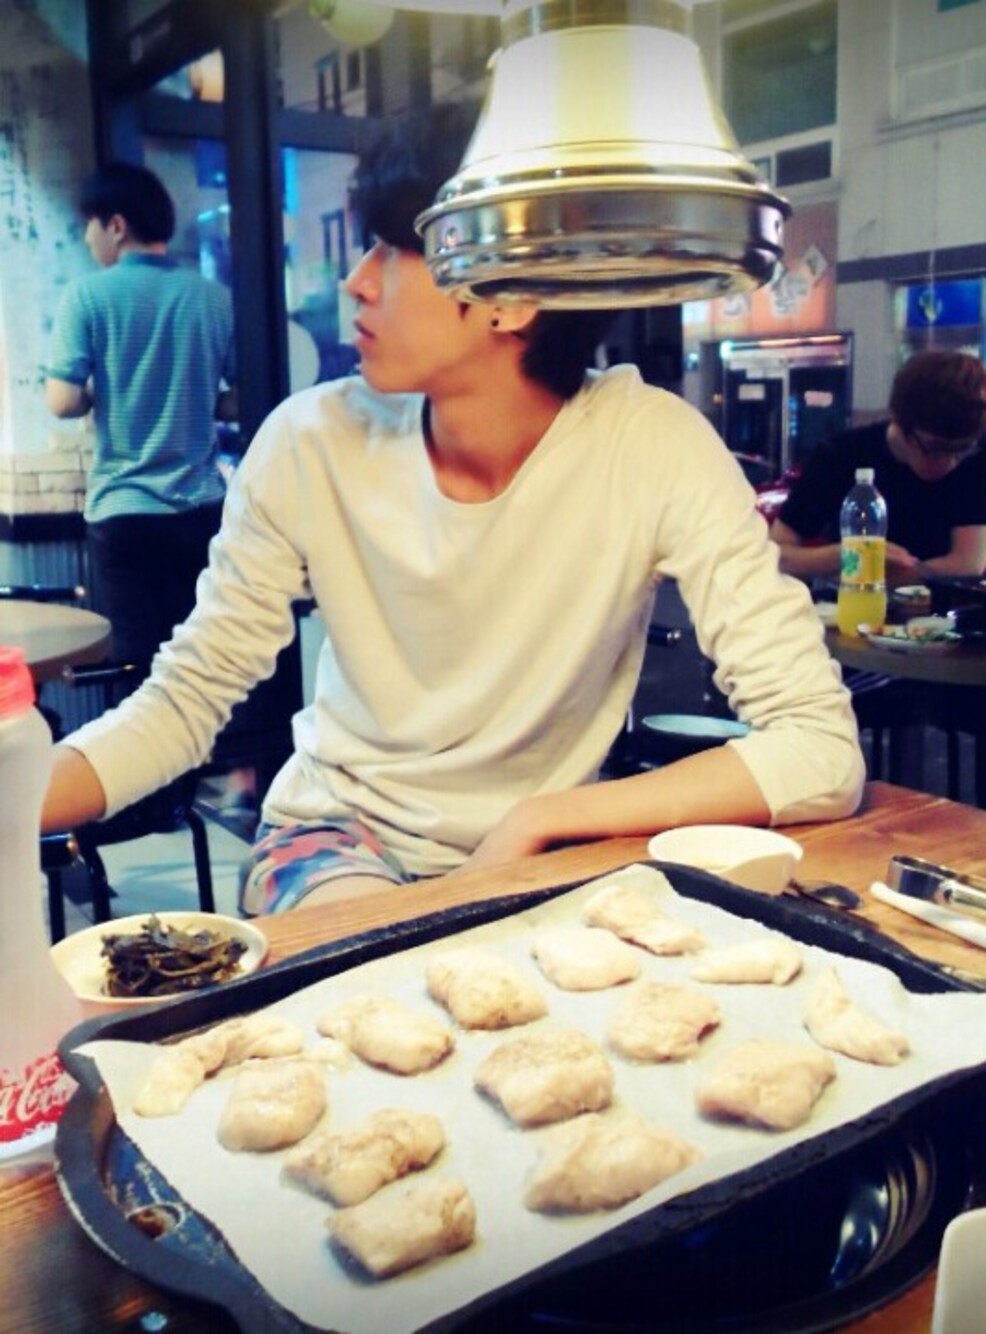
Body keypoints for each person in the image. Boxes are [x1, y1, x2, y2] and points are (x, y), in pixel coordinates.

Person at [41, 104, 864, 914]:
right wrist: (18, 795)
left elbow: (820, 746)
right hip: (336, 837)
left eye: (395, 250)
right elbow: (187, 701)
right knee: (389, 969)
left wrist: (548, 817)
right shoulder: (311, 442)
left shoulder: (651, 445)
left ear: (511, 296)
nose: (357, 280)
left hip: (539, 856)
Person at [44, 161, 237, 670]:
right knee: (201, 661)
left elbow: (61, 401)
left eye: (89, 223)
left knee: (139, 666)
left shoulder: (87, 296)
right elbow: (243, 398)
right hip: (199, 509)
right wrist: (196, 396)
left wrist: (97, 395)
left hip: (124, 511)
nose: (87, 237)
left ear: (116, 225)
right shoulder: (214, 298)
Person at [770, 350, 986, 586]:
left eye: (961, 451)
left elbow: (967, 564)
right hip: (853, 603)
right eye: (934, 448)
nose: (949, 463)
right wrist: (850, 554)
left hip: (946, 606)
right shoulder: (842, 454)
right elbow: (777, 555)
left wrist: (876, 578)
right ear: (898, 420)